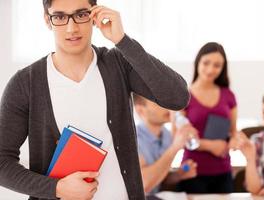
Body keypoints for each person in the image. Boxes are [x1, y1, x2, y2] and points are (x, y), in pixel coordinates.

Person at [0, 0, 189, 199]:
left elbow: (177, 97)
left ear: (94, 15)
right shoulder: (25, 83)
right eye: (60, 17)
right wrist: (56, 188)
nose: (72, 28)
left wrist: (122, 40)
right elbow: (2, 162)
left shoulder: (118, 64)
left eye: (81, 15)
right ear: (48, 20)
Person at [178, 42, 237, 193]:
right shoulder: (183, 96)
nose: (211, 69)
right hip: (191, 171)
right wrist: (211, 145)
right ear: (198, 62)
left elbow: (232, 132)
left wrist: (233, 141)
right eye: (206, 63)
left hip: (223, 172)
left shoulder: (228, 96)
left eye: (217, 65)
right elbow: (176, 137)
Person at [133, 94, 197, 195]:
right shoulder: (133, 139)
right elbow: (144, 184)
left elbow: (160, 180)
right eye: (158, 102)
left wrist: (179, 174)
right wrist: (174, 148)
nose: (167, 106)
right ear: (140, 110)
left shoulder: (166, 134)